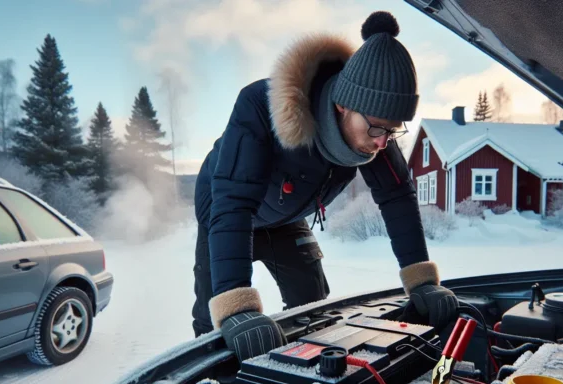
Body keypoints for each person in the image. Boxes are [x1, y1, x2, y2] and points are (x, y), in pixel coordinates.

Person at [193, 11, 459, 361]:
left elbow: (397, 195)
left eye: (393, 130)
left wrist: (421, 280)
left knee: (313, 303)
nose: (383, 143)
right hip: (223, 208)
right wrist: (236, 305)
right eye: (377, 128)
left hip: (286, 216)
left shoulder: (374, 131)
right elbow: (233, 200)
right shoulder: (260, 106)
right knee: (218, 317)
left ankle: (302, 373)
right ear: (342, 105)